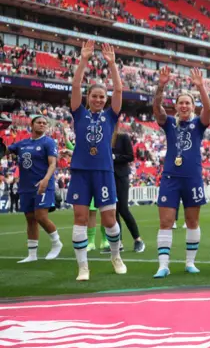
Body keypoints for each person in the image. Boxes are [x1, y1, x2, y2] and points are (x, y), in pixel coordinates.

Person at [67, 40, 125, 281]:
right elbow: (76, 85)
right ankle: (83, 267)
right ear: (88, 97)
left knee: (109, 219)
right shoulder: (78, 112)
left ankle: (116, 256)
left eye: (102, 96)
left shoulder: (111, 117)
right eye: (95, 96)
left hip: (103, 171)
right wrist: (83, 61)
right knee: (80, 219)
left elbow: (119, 92)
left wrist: (112, 65)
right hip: (81, 172)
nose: (99, 99)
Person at [153, 66, 210, 278]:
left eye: (188, 102)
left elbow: (208, 109)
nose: (184, 105)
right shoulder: (169, 123)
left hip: (193, 178)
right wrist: (161, 86)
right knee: (166, 221)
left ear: (192, 106)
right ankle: (163, 265)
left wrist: (201, 87)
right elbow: (157, 109)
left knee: (192, 221)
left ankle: (189, 262)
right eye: (181, 103)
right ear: (176, 106)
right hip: (171, 177)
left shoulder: (199, 124)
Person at [6, 115, 63, 263]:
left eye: (45, 123)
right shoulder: (22, 144)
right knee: (30, 219)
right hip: (25, 186)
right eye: (39, 122)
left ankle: (57, 243)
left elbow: (52, 164)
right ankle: (32, 255)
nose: (42, 125)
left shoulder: (48, 142)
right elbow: (5, 151)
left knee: (41, 217)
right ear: (32, 125)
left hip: (43, 185)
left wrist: (45, 180)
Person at [112, 124, 145, 253]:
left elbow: (130, 156)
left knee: (123, 209)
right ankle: (118, 243)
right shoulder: (103, 138)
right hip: (107, 177)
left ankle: (138, 240)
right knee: (112, 211)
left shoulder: (123, 137)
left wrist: (115, 157)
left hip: (121, 176)